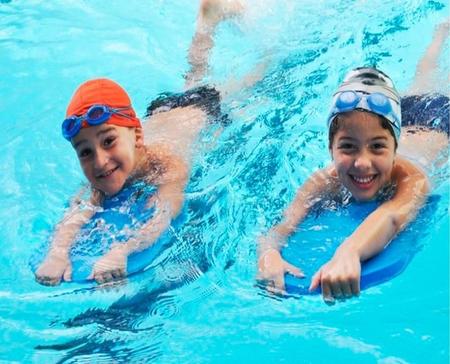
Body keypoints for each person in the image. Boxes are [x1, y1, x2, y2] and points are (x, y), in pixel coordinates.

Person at [35, 0, 244, 286]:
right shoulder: (99, 179)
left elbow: (164, 214)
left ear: (135, 137)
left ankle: (228, 35)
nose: (99, 160)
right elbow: (75, 215)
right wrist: (57, 254)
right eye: (85, 151)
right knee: (193, 77)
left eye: (108, 141)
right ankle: (206, 24)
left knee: (244, 83)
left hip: (204, 111)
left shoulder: (167, 165)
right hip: (161, 111)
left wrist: (122, 249)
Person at [257, 20, 449, 303]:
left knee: (431, 78)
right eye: (348, 147)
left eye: (377, 148)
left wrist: (349, 252)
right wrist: (268, 254)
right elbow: (281, 226)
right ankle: (440, 35)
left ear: (394, 149)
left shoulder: (412, 178)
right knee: (423, 78)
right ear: (331, 149)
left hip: (443, 123)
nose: (362, 163)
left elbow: (393, 216)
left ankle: (441, 34)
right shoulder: (324, 180)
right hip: (403, 115)